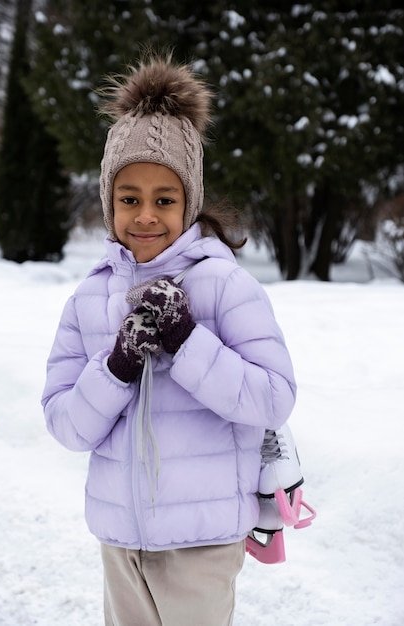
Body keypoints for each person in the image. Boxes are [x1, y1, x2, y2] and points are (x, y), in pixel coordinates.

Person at [42, 52, 296, 626]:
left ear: (190, 203)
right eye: (129, 198)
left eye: (165, 199)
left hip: (203, 545)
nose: (146, 216)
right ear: (109, 203)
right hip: (120, 542)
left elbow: (273, 398)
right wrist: (117, 366)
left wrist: (187, 340)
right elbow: (66, 423)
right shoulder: (89, 299)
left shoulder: (224, 285)